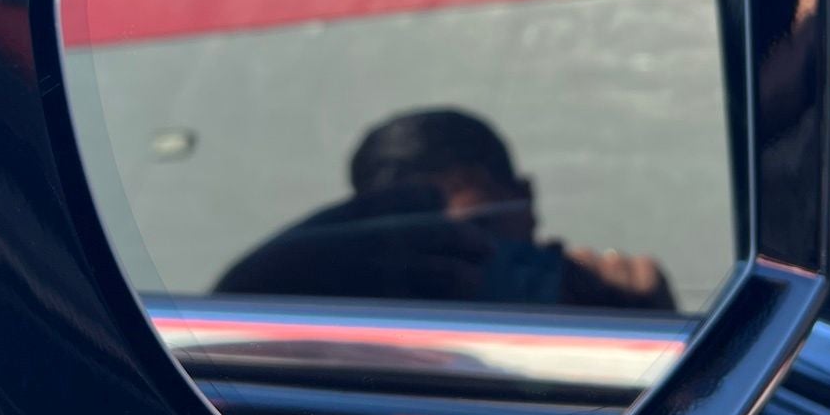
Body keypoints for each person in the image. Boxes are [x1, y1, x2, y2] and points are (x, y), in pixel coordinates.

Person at [216, 108, 675, 310]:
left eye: (480, 233)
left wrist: (646, 327)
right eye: (424, 247)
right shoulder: (337, 333)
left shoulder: (599, 297)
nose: (457, 265)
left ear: (525, 199)